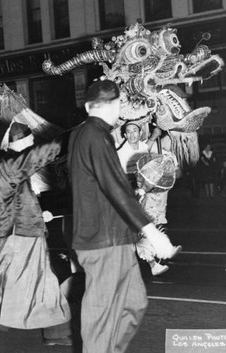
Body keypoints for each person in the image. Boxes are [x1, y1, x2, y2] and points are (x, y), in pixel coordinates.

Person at [67, 80, 181, 353]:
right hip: (102, 241)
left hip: (112, 236)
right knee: (103, 319)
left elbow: (102, 187)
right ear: (119, 106)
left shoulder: (86, 134)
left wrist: (137, 192)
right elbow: (111, 185)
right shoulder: (95, 135)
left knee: (134, 302)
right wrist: (152, 232)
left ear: (86, 106)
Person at [0, 122, 72, 347]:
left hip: (29, 231)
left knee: (45, 281)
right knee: (5, 285)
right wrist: (72, 135)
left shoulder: (12, 164)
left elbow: (21, 200)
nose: (32, 144)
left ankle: (55, 332)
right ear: (21, 142)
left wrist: (39, 213)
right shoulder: (10, 164)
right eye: (29, 141)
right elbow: (42, 154)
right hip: (16, 237)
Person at [116, 122, 174, 276]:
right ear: (124, 135)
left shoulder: (142, 146)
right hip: (129, 193)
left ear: (139, 132)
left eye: (135, 130)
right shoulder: (121, 153)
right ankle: (154, 258)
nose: (132, 134)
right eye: (128, 132)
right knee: (136, 231)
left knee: (146, 225)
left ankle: (155, 258)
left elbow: (147, 148)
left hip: (144, 192)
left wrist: (156, 134)